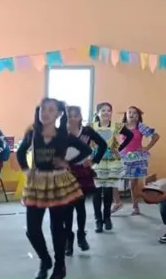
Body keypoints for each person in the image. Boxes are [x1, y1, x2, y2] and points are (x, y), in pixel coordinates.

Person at [17, 98, 93, 279]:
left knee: (57, 227)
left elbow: (86, 150)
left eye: (51, 110)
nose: (46, 113)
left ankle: (60, 266)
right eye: (43, 109)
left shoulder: (63, 135)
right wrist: (26, 170)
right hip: (37, 182)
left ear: (59, 114)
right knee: (32, 230)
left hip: (58, 182)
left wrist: (67, 162)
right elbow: (21, 152)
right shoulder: (33, 133)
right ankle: (45, 259)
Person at [63, 105, 108, 255]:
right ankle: (68, 240)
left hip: (82, 172)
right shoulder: (61, 133)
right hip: (65, 173)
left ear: (80, 117)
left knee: (79, 206)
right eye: (69, 116)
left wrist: (94, 160)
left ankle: (81, 235)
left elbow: (103, 145)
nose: (72, 119)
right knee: (67, 209)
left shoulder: (87, 131)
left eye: (75, 115)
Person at [90, 102, 133, 231]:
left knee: (108, 191)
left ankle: (107, 218)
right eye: (103, 110)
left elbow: (130, 135)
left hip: (111, 161)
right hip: (97, 162)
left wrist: (119, 148)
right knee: (97, 192)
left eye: (109, 110)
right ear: (98, 113)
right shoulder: (92, 127)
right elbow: (84, 139)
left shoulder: (116, 126)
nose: (106, 113)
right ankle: (98, 220)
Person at [120, 106, 160, 215]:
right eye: (129, 112)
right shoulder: (121, 127)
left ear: (138, 116)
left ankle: (135, 206)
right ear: (126, 114)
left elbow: (156, 136)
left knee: (133, 184)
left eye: (134, 113)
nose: (131, 114)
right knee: (114, 179)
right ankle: (117, 203)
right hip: (123, 157)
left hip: (136, 158)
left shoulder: (140, 127)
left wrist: (147, 147)